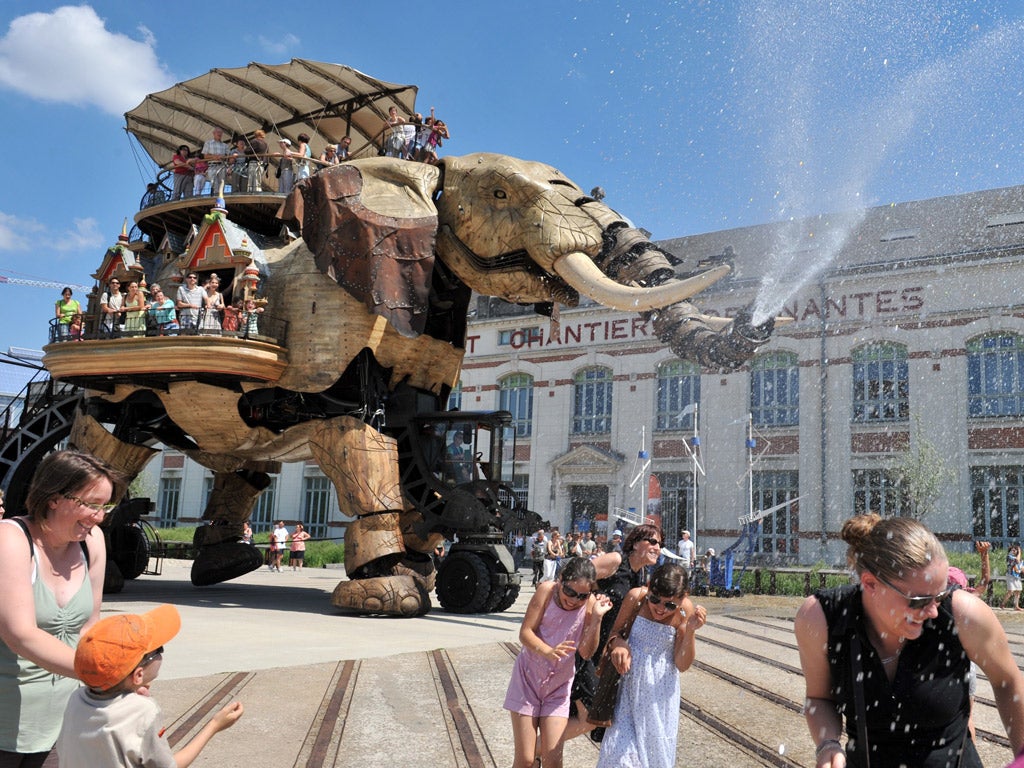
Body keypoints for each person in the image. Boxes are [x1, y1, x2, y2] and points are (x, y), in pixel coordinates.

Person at [794, 513, 1024, 768]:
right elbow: (819, 698)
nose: (934, 611)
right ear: (870, 583)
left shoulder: (963, 614)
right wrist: (827, 744)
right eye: (919, 601)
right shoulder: (822, 618)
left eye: (940, 595)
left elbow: (1009, 681)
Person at [0, 450, 125, 766]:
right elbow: (20, 635)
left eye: (105, 506)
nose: (99, 516)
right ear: (53, 498)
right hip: (7, 727)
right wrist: (104, 674)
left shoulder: (92, 541)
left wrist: (119, 679)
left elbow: (90, 626)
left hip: (64, 725)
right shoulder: (10, 539)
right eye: (90, 504)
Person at [56, 604, 243, 768]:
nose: (161, 653)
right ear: (138, 675)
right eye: (158, 650)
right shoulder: (144, 711)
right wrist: (214, 725)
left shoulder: (77, 699)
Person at [595, 562, 706, 768]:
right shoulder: (636, 597)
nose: (660, 609)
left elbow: (682, 664)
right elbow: (613, 633)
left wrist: (690, 631)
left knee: (655, 759)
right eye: (655, 599)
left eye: (670, 604)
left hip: (660, 697)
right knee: (618, 758)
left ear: (683, 597)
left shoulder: (685, 610)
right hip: (629, 691)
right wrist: (619, 644)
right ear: (648, 587)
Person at [504, 557, 612, 768]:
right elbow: (525, 633)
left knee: (553, 759)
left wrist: (597, 618)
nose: (573, 600)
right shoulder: (546, 590)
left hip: (558, 687)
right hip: (528, 681)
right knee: (526, 759)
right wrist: (548, 651)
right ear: (561, 580)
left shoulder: (589, 604)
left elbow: (587, 651)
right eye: (569, 592)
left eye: (582, 596)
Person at [563, 523, 664, 746]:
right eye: (654, 541)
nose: (658, 547)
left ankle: (541, 751)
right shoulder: (616, 561)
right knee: (591, 714)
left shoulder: (641, 574)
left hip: (603, 654)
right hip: (585, 648)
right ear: (636, 543)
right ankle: (535, 751)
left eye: (660, 543)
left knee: (591, 715)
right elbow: (574, 576)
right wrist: (592, 597)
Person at [202, 127, 230, 195]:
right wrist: (214, 156)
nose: (219, 134)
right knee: (214, 183)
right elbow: (205, 156)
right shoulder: (208, 143)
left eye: (221, 133)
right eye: (218, 132)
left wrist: (223, 157)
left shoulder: (225, 145)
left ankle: (220, 199)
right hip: (212, 165)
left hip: (222, 166)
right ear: (214, 133)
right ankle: (216, 199)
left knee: (222, 184)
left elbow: (228, 157)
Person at [1003, 544, 1023, 611]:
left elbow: (1022, 568)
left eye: (1015, 550)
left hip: (1017, 577)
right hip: (1010, 576)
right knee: (1011, 591)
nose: (1014, 551)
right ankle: (1002, 604)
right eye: (1013, 550)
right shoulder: (1009, 557)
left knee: (1018, 591)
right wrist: (1019, 551)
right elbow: (1017, 560)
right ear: (1010, 551)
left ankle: (1016, 606)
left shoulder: (1021, 559)